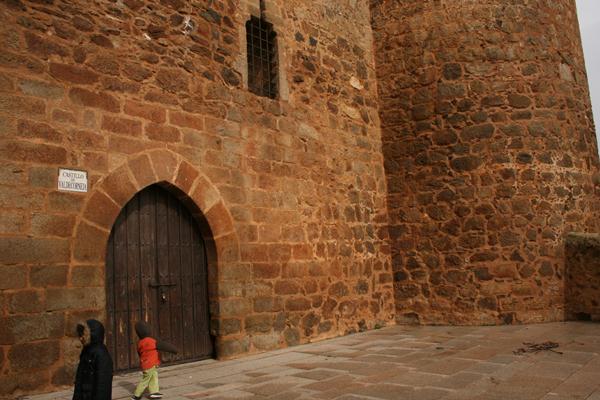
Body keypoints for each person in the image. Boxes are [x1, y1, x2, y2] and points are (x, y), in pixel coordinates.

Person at [131, 321, 178, 400]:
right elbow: (164, 345)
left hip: (146, 364)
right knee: (145, 380)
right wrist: (175, 350)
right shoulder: (151, 341)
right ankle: (136, 395)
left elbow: (140, 354)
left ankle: (154, 393)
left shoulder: (139, 343)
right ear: (147, 330)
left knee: (153, 377)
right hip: (150, 364)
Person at [73, 319, 113, 400]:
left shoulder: (101, 355)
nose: (80, 338)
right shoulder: (86, 351)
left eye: (83, 335)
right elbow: (79, 379)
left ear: (92, 335)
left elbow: (103, 386)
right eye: (80, 335)